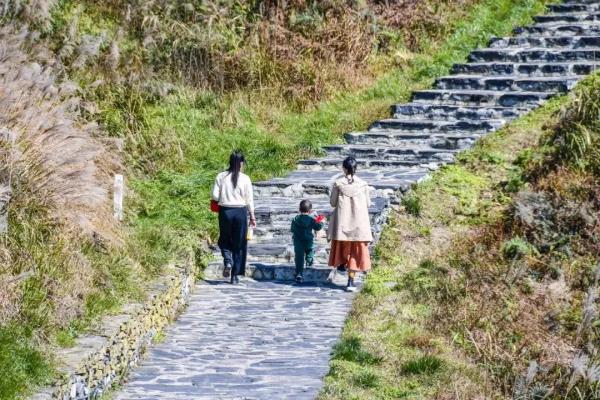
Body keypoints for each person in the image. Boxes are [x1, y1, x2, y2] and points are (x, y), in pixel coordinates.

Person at [327, 156, 373, 292]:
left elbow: (333, 203)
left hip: (342, 225)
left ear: (344, 168)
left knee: (342, 248)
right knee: (355, 253)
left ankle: (341, 264)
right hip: (358, 226)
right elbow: (368, 203)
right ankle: (350, 282)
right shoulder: (363, 184)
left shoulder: (338, 183)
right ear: (356, 169)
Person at [211, 151, 256, 284]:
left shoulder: (221, 176)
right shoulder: (245, 178)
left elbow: (214, 196)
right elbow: (249, 200)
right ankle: (235, 276)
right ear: (241, 163)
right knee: (239, 243)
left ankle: (228, 261)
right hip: (240, 213)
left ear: (230, 162)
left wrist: (224, 197)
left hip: (225, 212)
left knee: (224, 239)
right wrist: (252, 216)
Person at [290, 200, 325, 284]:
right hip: (308, 240)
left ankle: (299, 274)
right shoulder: (311, 219)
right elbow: (318, 227)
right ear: (310, 211)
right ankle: (309, 262)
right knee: (309, 250)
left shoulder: (295, 219)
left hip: (298, 241)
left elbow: (292, 229)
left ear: (299, 209)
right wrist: (321, 220)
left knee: (299, 257)